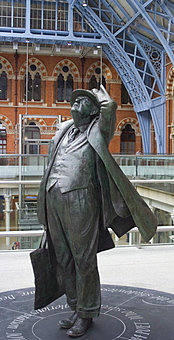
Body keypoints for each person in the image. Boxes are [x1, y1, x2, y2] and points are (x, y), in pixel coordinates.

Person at [36, 85, 157, 338]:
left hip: (82, 201)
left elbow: (110, 108)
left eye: (83, 102)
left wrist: (100, 96)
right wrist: (44, 211)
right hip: (54, 200)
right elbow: (49, 167)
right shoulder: (63, 131)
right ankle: (75, 307)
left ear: (92, 111)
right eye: (75, 100)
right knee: (64, 259)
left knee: (83, 260)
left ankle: (87, 313)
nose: (75, 104)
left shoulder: (98, 131)